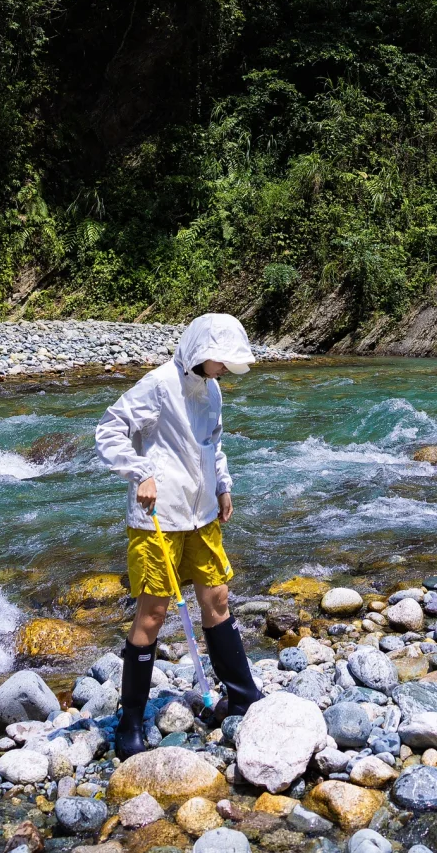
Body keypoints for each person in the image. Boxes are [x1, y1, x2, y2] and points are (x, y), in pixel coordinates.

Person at [95, 311, 263, 759]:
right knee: (153, 612)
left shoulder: (212, 390)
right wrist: (140, 471)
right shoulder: (158, 383)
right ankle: (129, 721)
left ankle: (243, 696)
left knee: (218, 598)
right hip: (158, 515)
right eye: (221, 359)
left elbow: (214, 443)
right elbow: (110, 429)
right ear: (199, 351)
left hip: (202, 514)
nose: (226, 368)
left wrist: (223, 485)